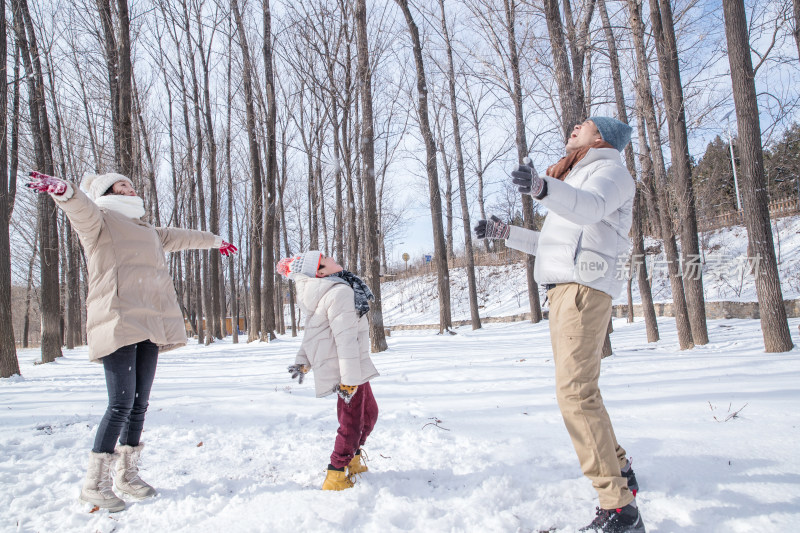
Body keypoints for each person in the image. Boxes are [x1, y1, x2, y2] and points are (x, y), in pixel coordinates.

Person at [27, 171, 237, 512]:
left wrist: (215, 240)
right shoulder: (100, 221)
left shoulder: (148, 231)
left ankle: (127, 475)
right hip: (117, 320)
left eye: (130, 184)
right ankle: (94, 483)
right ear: (108, 191)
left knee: (139, 404)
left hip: (149, 323)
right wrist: (65, 192)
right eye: (122, 184)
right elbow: (80, 209)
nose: (131, 187)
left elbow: (184, 237)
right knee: (120, 404)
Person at [474, 117, 645, 533]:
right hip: (565, 291)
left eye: (582, 125)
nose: (572, 128)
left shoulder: (611, 172)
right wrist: (506, 231)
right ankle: (620, 470)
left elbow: (590, 208)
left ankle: (619, 508)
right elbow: (549, 245)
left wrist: (541, 188)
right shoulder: (576, 178)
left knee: (575, 393)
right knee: (581, 389)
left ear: (601, 136)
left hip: (583, 288)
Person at [277, 251, 379, 491]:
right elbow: (345, 340)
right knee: (352, 422)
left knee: (370, 414)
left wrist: (303, 360)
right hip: (348, 370)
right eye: (326, 258)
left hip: (355, 366)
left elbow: (315, 329)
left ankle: (352, 457)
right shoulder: (340, 292)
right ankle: (335, 473)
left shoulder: (335, 288)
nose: (333, 258)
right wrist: (350, 379)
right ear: (320, 272)